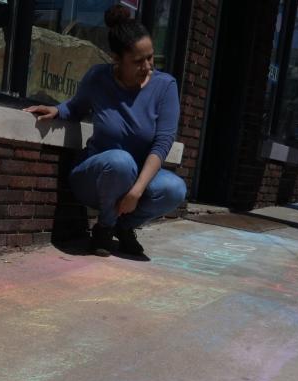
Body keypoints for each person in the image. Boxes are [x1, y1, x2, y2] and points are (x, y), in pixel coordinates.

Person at [26, 4, 186, 257]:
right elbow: (76, 107)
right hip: (95, 177)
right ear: (116, 58)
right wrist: (57, 111)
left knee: (175, 188)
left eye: (150, 57)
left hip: (135, 180)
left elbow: (163, 142)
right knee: (120, 161)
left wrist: (136, 191)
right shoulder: (98, 77)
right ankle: (104, 227)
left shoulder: (165, 87)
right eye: (138, 61)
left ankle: (123, 226)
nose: (148, 66)